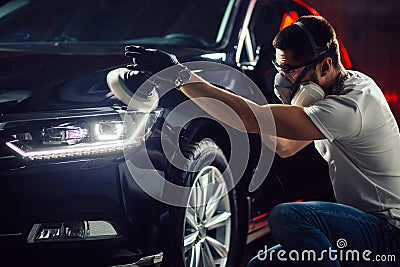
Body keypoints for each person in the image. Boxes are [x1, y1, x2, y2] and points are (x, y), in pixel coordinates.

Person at [107, 15, 400, 266]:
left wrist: (181, 77)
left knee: (289, 217)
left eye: (292, 71)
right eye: (280, 69)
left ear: (324, 66)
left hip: (387, 234)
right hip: (358, 225)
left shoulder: (351, 107)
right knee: (259, 264)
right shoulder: (339, 89)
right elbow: (286, 146)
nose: (285, 79)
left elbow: (252, 119)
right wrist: (277, 106)